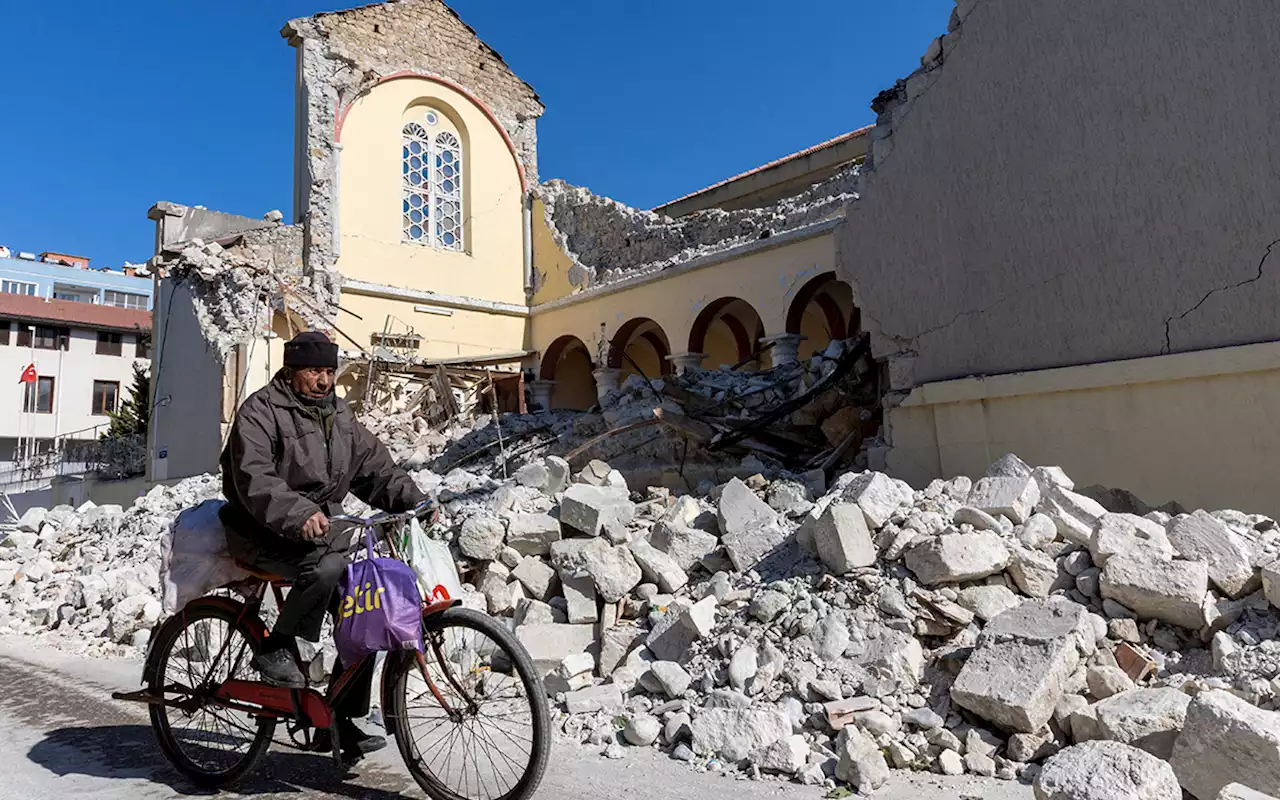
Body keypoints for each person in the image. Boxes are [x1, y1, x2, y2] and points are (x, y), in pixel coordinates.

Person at [218, 330, 427, 763]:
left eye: (330, 371)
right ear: (292, 371)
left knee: (365, 605)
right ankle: (279, 647)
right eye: (315, 371)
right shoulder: (260, 411)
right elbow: (253, 478)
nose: (324, 381)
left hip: (317, 529)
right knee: (330, 567)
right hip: (259, 530)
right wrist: (298, 514)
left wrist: (415, 500)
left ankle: (345, 718)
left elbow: (376, 469)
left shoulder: (339, 416)